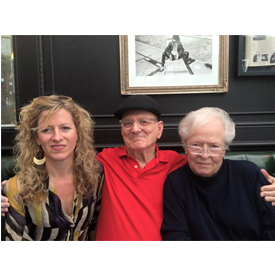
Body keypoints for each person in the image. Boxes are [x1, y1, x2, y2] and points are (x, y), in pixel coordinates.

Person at [2, 95, 275, 241]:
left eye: (144, 122)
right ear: (121, 131)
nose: (135, 129)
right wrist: (8, 190)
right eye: (127, 124)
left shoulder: (182, 162)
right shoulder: (102, 163)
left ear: (158, 130)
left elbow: (218, 170)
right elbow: (56, 162)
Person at [161, 107, 275, 240]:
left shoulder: (248, 174)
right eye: (196, 145)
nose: (204, 155)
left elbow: (271, 227)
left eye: (214, 146)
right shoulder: (176, 182)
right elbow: (176, 236)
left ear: (224, 150)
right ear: (185, 147)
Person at [2, 95, 102, 241]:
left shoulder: (95, 175)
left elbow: (96, 228)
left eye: (65, 128)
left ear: (78, 133)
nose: (57, 137)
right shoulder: (18, 188)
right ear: (36, 137)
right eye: (47, 130)